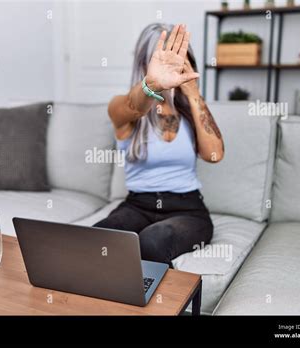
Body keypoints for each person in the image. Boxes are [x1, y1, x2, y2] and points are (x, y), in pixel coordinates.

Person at [94, 23, 224, 267]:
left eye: (176, 59)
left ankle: (162, 304)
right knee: (97, 238)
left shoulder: (189, 112)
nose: (170, 65)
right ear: (144, 64)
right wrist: (153, 84)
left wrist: (193, 94)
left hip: (187, 209)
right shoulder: (122, 108)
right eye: (160, 59)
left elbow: (215, 155)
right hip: (137, 205)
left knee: (152, 241)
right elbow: (135, 105)